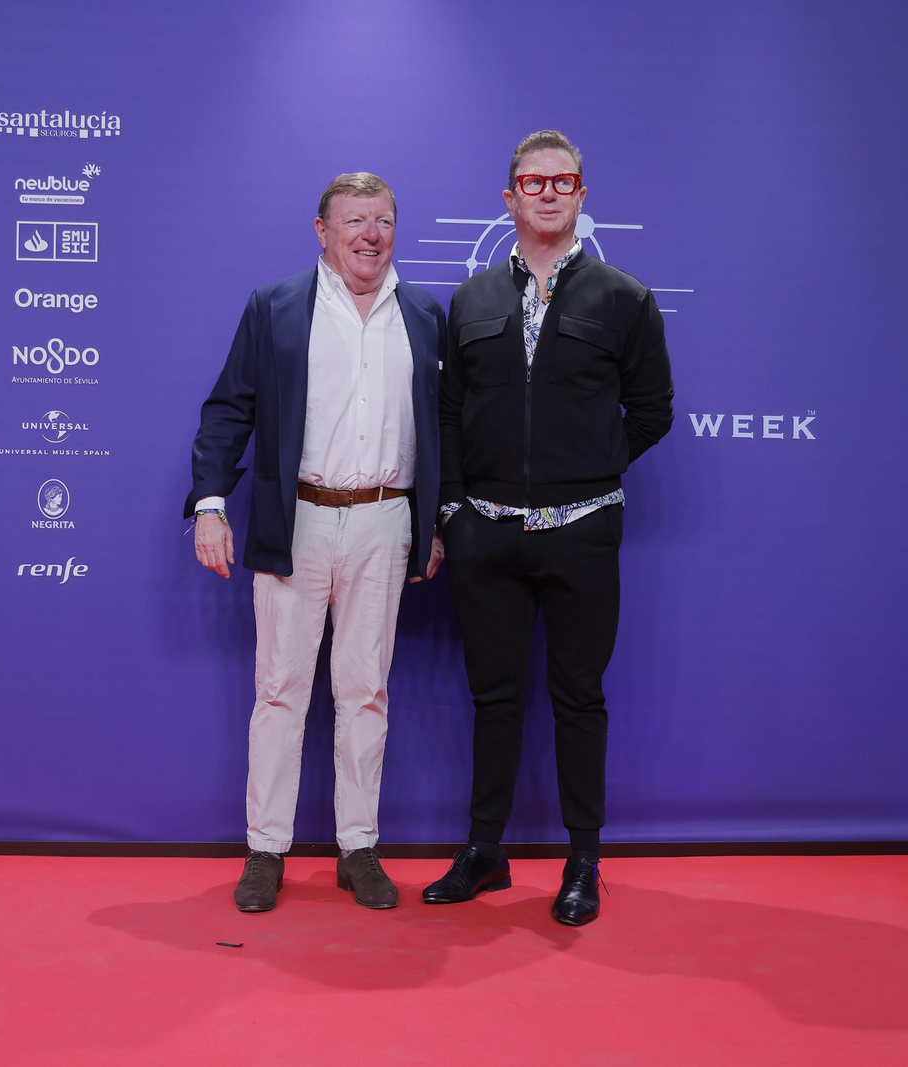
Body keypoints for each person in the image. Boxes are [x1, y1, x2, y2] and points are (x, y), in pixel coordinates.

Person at [423, 131, 674, 926]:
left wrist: (592, 467)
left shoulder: (624, 298)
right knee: (493, 698)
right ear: (510, 199)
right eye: (533, 182)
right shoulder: (472, 301)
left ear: (581, 195)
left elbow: (653, 409)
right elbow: (451, 413)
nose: (549, 192)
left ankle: (583, 859)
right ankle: (484, 851)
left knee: (579, 699)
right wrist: (456, 507)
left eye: (564, 181)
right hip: (485, 535)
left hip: (583, 530)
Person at [186, 172, 446, 912]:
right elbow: (227, 410)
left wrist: (433, 521)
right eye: (355, 220)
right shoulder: (276, 307)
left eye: (384, 219)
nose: (371, 234)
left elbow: (444, 429)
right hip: (294, 519)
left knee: (366, 691)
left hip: (386, 522)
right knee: (280, 692)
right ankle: (265, 849)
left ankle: (357, 847)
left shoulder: (424, 315)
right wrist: (210, 504)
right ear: (322, 230)